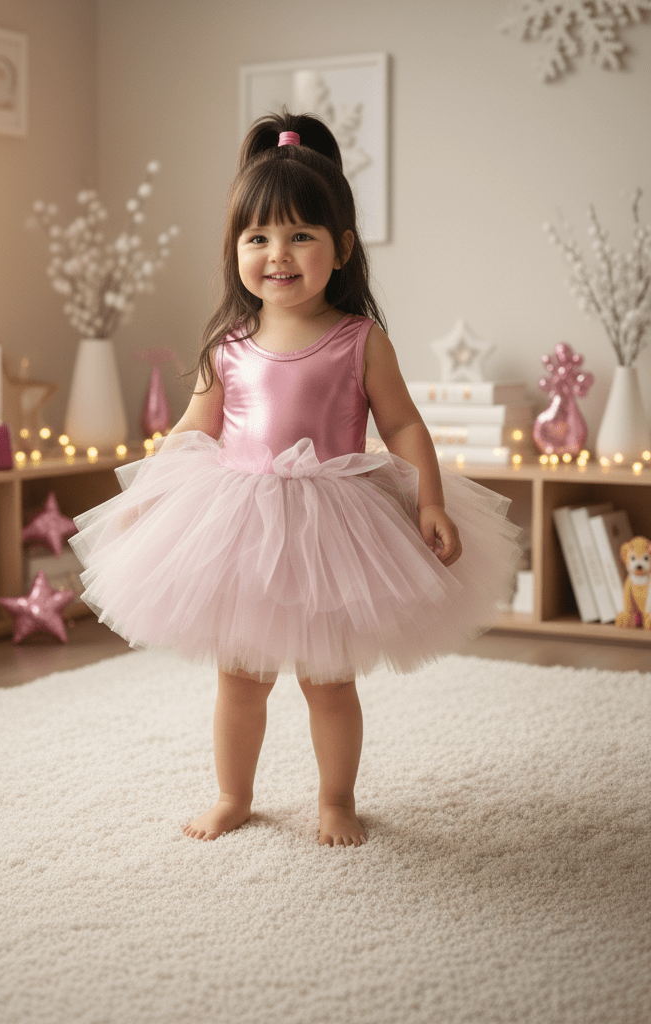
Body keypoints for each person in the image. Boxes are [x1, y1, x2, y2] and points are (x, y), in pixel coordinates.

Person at [70, 111, 520, 847]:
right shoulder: (230, 346)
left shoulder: (360, 340)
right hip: (236, 526)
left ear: (340, 248)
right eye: (259, 238)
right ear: (235, 250)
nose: (278, 254)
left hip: (333, 529)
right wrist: (146, 494)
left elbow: (403, 426)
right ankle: (232, 794)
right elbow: (193, 429)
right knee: (239, 680)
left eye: (300, 236)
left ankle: (336, 800)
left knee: (329, 681)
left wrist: (430, 499)